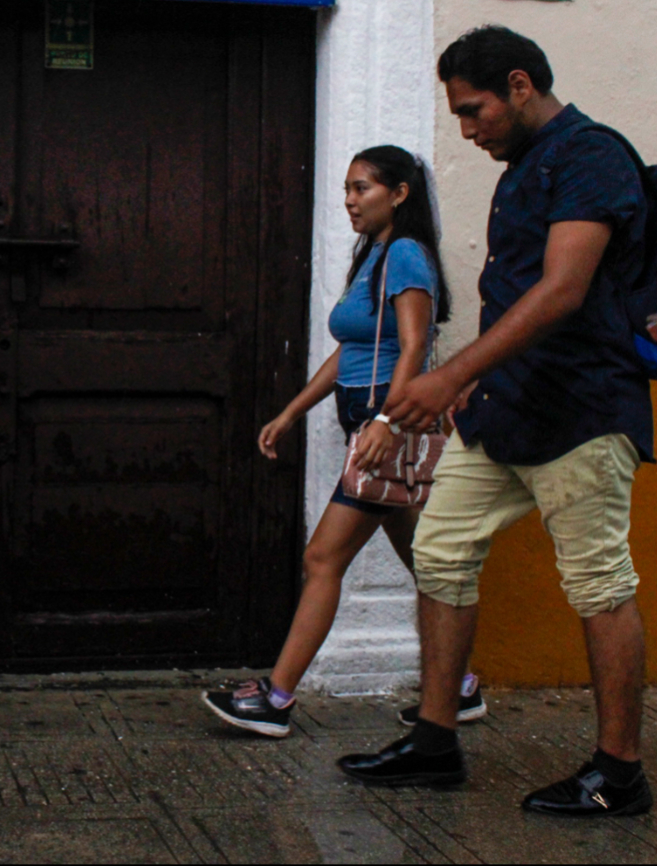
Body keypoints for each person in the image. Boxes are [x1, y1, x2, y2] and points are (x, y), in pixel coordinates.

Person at [337, 26, 654, 818]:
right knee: (440, 553)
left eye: (473, 111)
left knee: (597, 583)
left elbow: (561, 291)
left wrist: (449, 372)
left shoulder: (589, 156)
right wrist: (468, 388)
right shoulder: (522, 168)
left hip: (580, 409)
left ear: (519, 84)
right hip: (503, 409)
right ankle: (433, 743)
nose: (467, 130)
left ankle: (619, 773)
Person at [201, 146, 481, 737]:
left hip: (389, 428)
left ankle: (275, 699)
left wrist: (386, 422)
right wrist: (293, 412)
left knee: (322, 558)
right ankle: (460, 687)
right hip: (374, 425)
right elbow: (348, 354)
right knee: (426, 560)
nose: (350, 201)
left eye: (362, 189)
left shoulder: (405, 254)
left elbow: (413, 347)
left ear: (399, 193)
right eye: (348, 190)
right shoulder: (374, 255)